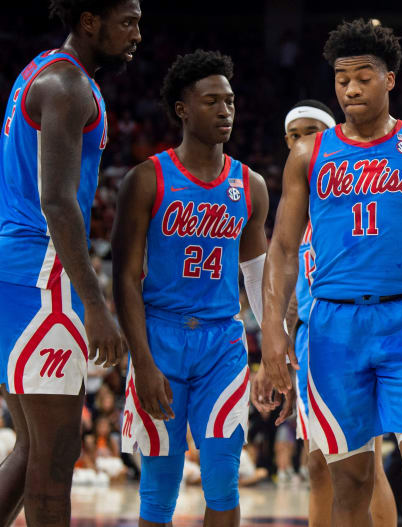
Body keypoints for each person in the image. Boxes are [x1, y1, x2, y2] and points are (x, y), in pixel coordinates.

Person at [260, 19, 402, 527]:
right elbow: (280, 250)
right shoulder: (308, 154)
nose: (351, 88)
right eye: (342, 78)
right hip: (333, 329)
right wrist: (272, 335)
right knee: (350, 483)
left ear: (390, 79)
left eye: (364, 76)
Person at [111, 49, 281, 527]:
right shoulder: (146, 179)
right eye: (212, 101)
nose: (225, 110)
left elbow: (255, 272)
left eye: (229, 100)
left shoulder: (250, 184)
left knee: (223, 479)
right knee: (159, 487)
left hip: (222, 342)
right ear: (183, 109)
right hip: (160, 338)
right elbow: (123, 276)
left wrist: (271, 343)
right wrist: (141, 361)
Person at [0, 1, 141, 525]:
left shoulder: (40, 70)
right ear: (90, 21)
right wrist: (95, 306)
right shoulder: (67, 86)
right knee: (56, 464)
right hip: (42, 275)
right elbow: (56, 201)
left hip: (18, 271)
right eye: (127, 22)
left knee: (32, 451)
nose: (137, 35)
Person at [254, 99, 397, 525]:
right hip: (310, 343)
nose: (304, 143)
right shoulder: (293, 211)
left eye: (313, 133)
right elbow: (290, 290)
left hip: (355, 337)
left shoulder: (352, 193)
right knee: (318, 464)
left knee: (365, 462)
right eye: (296, 135)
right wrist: (278, 345)